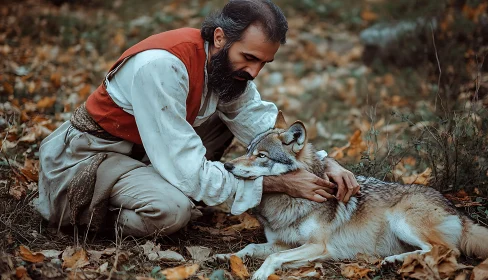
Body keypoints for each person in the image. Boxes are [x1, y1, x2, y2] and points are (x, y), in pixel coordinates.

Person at [35, 0, 360, 237]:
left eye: (264, 63)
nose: (254, 72)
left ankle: (164, 188)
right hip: (91, 157)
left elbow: (263, 127)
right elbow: (187, 168)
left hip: (149, 154)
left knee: (235, 120)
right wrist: (274, 182)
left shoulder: (227, 70)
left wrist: (324, 162)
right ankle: (82, 213)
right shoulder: (161, 67)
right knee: (173, 211)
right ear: (220, 37)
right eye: (249, 58)